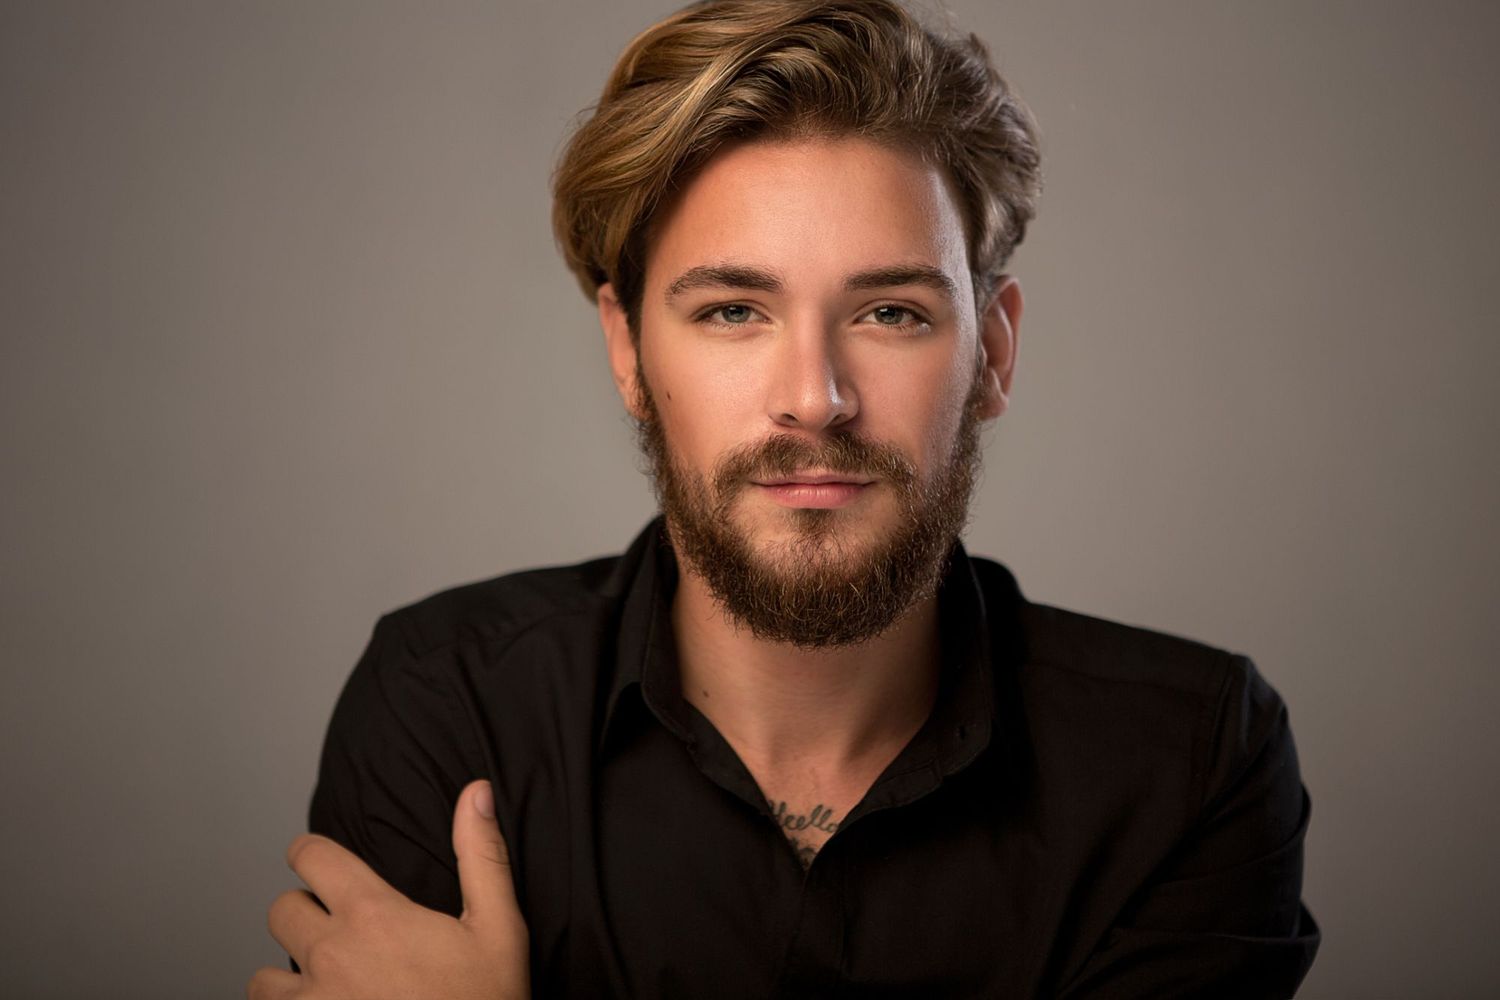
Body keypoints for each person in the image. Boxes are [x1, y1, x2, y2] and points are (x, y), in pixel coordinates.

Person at [249, 1, 1320, 997]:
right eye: (731, 312)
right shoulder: (447, 708)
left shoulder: (1187, 761)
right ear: (626, 351)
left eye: (892, 311)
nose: (815, 399)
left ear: (991, 355)